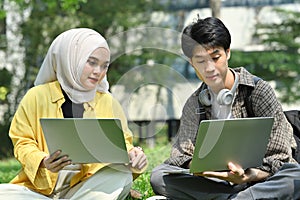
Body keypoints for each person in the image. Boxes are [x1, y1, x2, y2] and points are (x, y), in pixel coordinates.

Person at [150, 16, 300, 200]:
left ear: (227, 52)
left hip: (260, 179)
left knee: (295, 176)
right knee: (160, 176)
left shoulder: (258, 91)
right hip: (217, 181)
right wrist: (209, 171)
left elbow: (281, 156)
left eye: (215, 57)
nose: (210, 68)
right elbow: (180, 157)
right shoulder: (194, 103)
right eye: (201, 61)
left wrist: (248, 175)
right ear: (191, 63)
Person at [0, 28, 147, 199]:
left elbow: (121, 144)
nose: (98, 71)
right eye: (91, 62)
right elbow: (22, 142)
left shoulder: (107, 101)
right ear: (69, 59)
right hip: (38, 190)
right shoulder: (36, 96)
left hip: (84, 187)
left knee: (120, 174)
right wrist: (43, 161)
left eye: (104, 66)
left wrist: (133, 157)